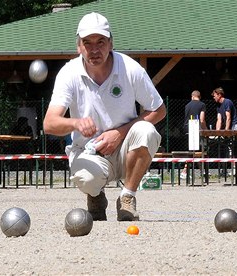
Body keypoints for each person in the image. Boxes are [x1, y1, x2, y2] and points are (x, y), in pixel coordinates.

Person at [43, 12, 166, 221]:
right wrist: (76, 123)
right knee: (85, 178)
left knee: (146, 132)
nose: (94, 49)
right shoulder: (68, 73)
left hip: (126, 147)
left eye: (100, 42)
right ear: (78, 47)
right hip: (90, 151)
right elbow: (49, 123)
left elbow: (159, 110)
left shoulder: (130, 68)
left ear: (111, 43)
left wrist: (119, 133)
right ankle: (96, 196)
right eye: (87, 43)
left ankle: (127, 197)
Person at [211, 87, 237, 176]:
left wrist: (227, 131)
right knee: (225, 147)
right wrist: (217, 132)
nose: (213, 97)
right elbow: (219, 120)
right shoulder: (218, 105)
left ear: (219, 95)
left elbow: (228, 118)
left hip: (234, 125)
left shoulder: (227, 102)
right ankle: (227, 169)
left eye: (215, 95)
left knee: (230, 146)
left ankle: (235, 168)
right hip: (228, 127)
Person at [180, 90, 207, 179]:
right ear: (199, 97)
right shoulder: (202, 105)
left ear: (192, 96)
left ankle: (200, 170)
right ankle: (186, 170)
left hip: (187, 128)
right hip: (196, 128)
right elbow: (202, 119)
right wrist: (205, 129)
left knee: (192, 150)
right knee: (199, 149)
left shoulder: (187, 105)